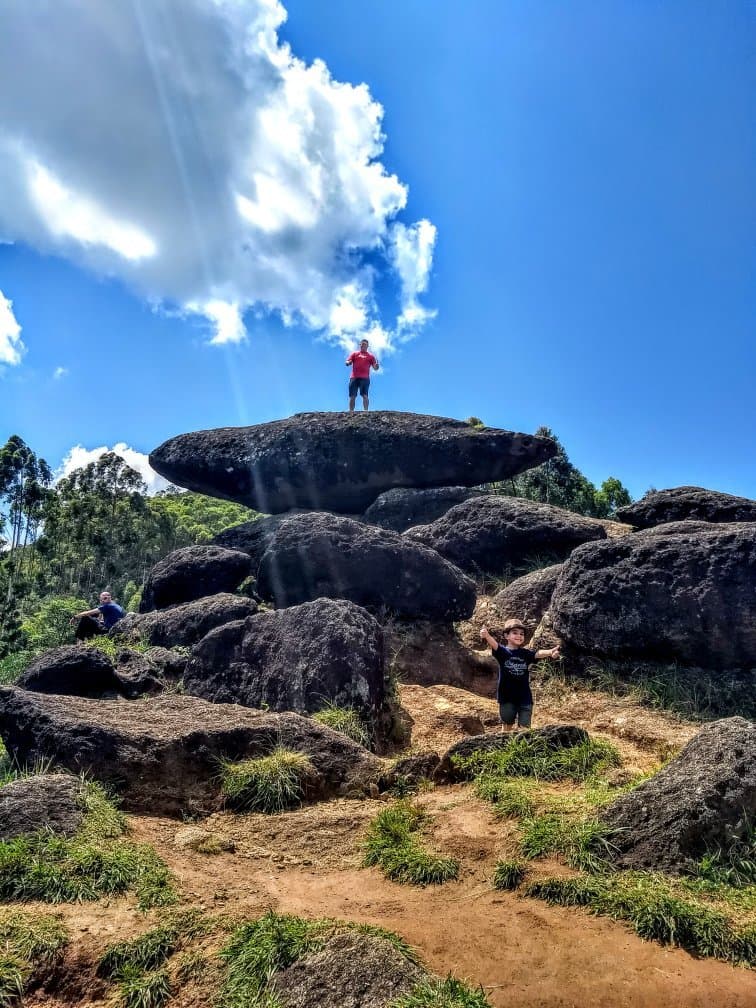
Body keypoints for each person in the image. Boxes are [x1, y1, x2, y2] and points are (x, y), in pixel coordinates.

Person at [480, 618, 561, 731]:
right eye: (515, 633)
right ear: (506, 635)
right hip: (507, 696)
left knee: (525, 729)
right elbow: (495, 645)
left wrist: (549, 652)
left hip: (525, 696)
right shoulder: (503, 652)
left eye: (521, 634)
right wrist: (487, 636)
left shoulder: (525, 653)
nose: (519, 636)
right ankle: (505, 747)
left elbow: (537, 654)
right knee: (507, 726)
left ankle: (522, 747)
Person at [345, 338, 380, 411]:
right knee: (352, 395)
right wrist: (348, 363)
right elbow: (348, 361)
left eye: (365, 345)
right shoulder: (355, 354)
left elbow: (375, 368)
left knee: (365, 395)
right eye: (362, 344)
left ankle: (366, 411)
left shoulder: (371, 356)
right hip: (354, 377)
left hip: (365, 378)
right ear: (360, 345)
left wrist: (377, 366)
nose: (363, 346)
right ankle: (351, 411)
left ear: (367, 346)